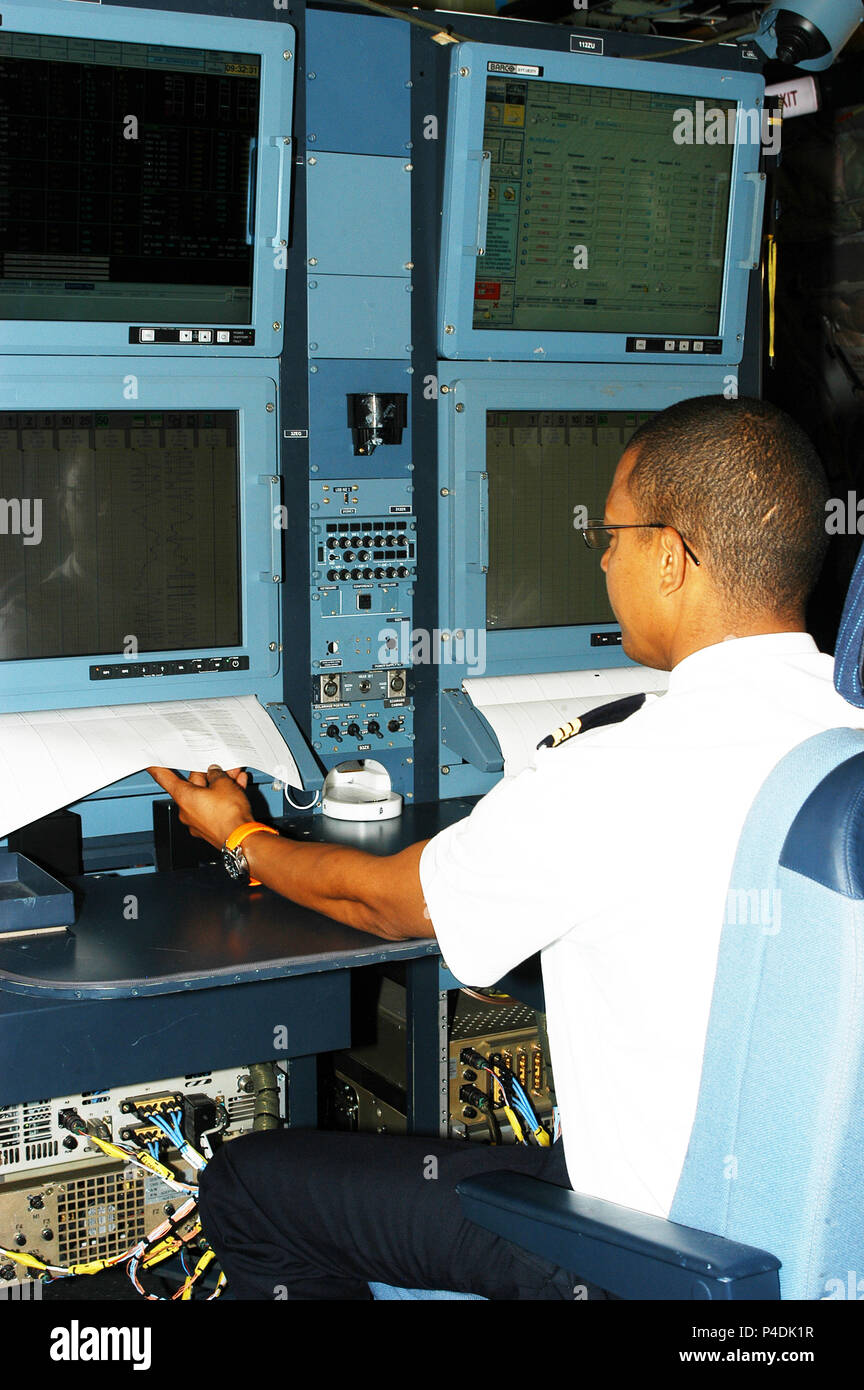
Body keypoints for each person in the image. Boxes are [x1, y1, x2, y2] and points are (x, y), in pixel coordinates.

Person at [148, 395, 858, 1300]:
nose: (603, 557)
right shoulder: (850, 728)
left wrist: (242, 834)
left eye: (614, 534)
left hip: (648, 1257)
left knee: (248, 1189)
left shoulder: (621, 766)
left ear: (672, 559)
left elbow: (386, 902)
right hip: (814, 1250)